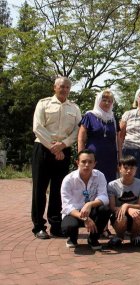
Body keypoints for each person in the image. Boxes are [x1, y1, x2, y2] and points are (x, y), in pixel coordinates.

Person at [31, 76, 82, 239]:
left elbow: (77, 131)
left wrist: (63, 145)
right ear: (55, 87)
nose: (64, 89)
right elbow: (38, 127)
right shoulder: (43, 103)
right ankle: (39, 226)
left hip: (63, 150)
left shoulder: (74, 108)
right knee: (39, 188)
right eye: (61, 86)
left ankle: (55, 225)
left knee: (58, 189)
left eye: (67, 87)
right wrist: (54, 147)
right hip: (43, 149)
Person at [60, 149, 111, 250]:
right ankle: (72, 238)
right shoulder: (68, 179)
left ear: (95, 163)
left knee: (105, 209)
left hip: (91, 210)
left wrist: (90, 204)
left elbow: (104, 197)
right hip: (74, 213)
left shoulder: (100, 176)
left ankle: (93, 239)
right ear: (77, 162)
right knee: (69, 227)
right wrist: (85, 218)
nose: (87, 165)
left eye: (90, 162)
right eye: (83, 161)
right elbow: (66, 206)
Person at [78, 90, 119, 183]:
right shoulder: (89, 116)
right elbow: (81, 139)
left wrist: (119, 159)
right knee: (91, 182)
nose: (107, 103)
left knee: (109, 183)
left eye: (110, 101)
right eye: (104, 100)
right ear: (98, 100)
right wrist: (81, 158)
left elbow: (118, 140)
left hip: (110, 158)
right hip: (93, 157)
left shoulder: (113, 118)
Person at [107, 155, 140, 247]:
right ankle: (119, 236)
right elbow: (112, 207)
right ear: (120, 169)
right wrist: (127, 208)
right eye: (125, 168)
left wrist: (127, 206)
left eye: (132, 168)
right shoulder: (112, 185)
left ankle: (135, 237)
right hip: (119, 214)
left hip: (135, 213)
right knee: (121, 217)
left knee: (139, 215)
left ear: (136, 169)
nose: (129, 171)